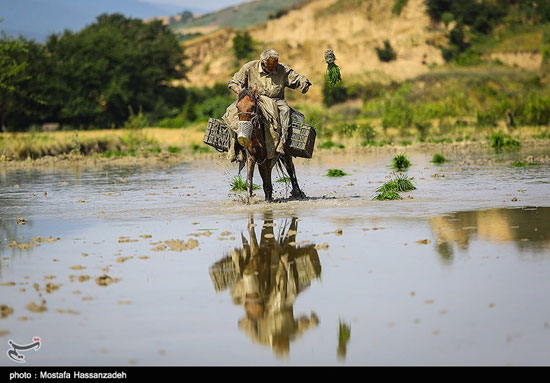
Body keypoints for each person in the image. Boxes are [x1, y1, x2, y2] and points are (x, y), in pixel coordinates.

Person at [223, 49, 311, 162]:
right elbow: (233, 82)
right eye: (270, 67)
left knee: (285, 110)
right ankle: (235, 147)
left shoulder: (282, 69)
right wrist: (241, 92)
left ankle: (281, 142)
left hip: (276, 101)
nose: (273, 69)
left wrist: (304, 83)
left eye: (275, 66)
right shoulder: (249, 67)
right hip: (253, 99)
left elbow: (297, 78)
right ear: (263, 63)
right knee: (231, 112)